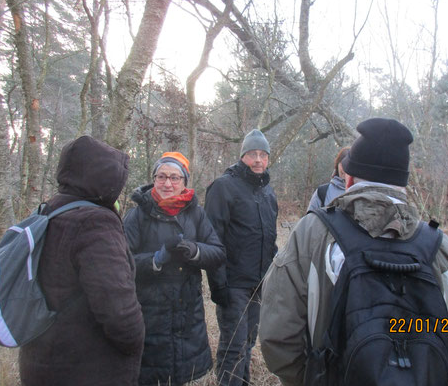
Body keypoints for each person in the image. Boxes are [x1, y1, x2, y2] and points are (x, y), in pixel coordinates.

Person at [259, 118, 448, 386]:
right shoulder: (437, 245)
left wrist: (309, 378)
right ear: (403, 184)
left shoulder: (311, 233)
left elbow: (277, 334)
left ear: (348, 179)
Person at [18, 136, 145, 386]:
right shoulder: (95, 223)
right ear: (107, 178)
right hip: (89, 369)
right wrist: (135, 343)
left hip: (40, 360)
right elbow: (117, 308)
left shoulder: (49, 210)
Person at [124, 152, 226, 386]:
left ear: (184, 182)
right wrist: (156, 260)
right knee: (149, 376)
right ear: (153, 179)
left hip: (187, 313)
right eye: (161, 176)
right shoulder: (138, 215)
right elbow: (121, 262)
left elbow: (218, 252)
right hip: (149, 313)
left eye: (174, 178)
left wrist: (195, 250)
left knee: (181, 376)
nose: (167, 183)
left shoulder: (196, 213)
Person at [205, 129, 278, 386]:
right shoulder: (223, 187)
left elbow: (270, 240)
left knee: (247, 343)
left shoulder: (268, 192)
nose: (258, 160)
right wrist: (219, 285)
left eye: (263, 155)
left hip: (258, 283)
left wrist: (273, 275)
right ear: (242, 156)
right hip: (233, 283)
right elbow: (211, 240)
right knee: (233, 346)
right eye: (252, 154)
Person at [306, 146, 350, 212]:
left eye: (348, 165)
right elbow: (309, 220)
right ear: (337, 164)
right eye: (342, 164)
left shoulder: (362, 193)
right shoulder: (322, 192)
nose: (343, 169)